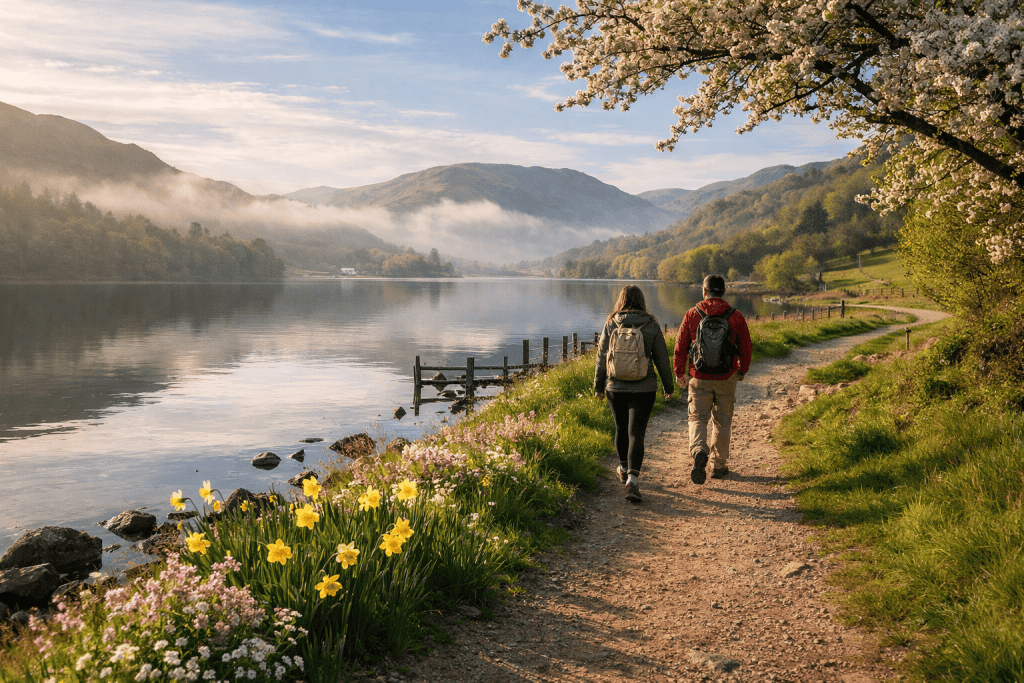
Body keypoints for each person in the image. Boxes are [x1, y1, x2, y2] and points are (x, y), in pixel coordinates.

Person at [594, 285, 674, 502]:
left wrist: (598, 386)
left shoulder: (611, 322)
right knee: (636, 432)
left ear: (621, 300)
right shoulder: (651, 324)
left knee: (620, 428)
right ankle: (633, 481)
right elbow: (662, 360)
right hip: (644, 387)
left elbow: (602, 357)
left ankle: (623, 467)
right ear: (641, 300)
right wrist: (669, 387)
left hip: (615, 386)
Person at [673, 274, 753, 485]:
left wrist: (679, 372)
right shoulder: (735, 316)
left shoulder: (692, 314)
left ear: (704, 290)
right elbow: (746, 347)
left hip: (698, 377)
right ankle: (718, 466)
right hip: (726, 376)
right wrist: (741, 370)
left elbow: (680, 346)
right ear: (723, 291)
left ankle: (699, 450)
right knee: (723, 420)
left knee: (698, 418)